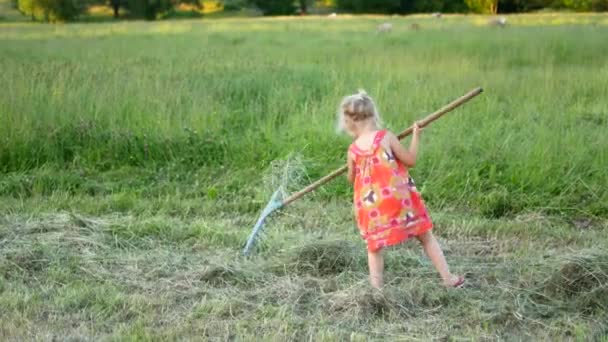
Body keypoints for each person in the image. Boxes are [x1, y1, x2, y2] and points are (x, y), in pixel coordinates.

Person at [338, 90, 464, 289]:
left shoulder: (353, 150)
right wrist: (416, 135)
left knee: (374, 248)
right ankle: (448, 279)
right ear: (373, 116)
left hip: (371, 207)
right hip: (397, 201)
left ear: (350, 123)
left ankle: (377, 292)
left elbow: (351, 179)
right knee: (425, 236)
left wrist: (355, 165)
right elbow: (410, 160)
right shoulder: (386, 137)